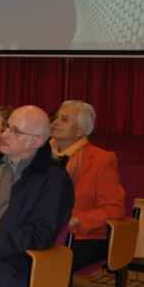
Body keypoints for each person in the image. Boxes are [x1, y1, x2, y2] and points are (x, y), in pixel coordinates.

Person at [0, 105, 74, 287]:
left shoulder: (54, 179)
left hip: (17, 263)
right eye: (7, 127)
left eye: (15, 131)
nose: (5, 134)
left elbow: (40, 234)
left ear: (36, 141)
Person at [50, 100, 125, 272]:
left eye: (64, 119)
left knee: (51, 262)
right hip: (45, 228)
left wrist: (78, 220)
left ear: (81, 130)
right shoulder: (39, 153)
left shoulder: (101, 160)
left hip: (83, 235)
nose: (55, 123)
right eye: (56, 118)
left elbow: (115, 208)